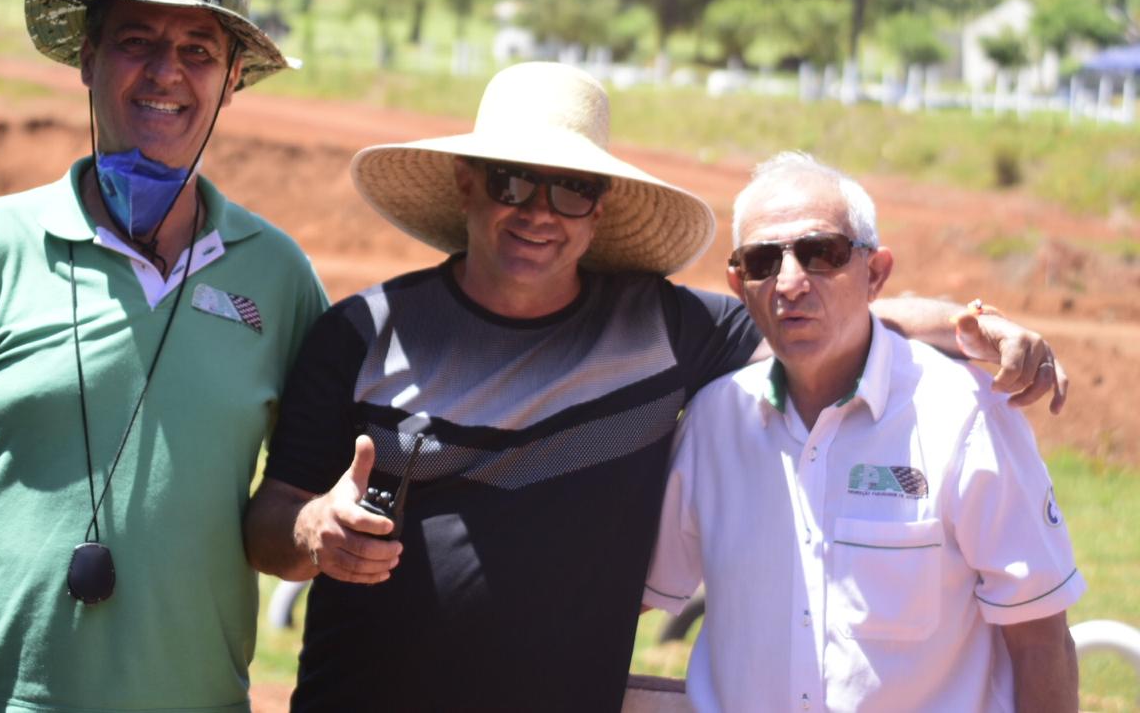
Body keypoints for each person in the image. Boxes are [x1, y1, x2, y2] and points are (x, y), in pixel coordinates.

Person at [242, 62, 1067, 712]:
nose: (540, 211)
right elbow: (264, 526)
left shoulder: (665, 331)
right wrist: (317, 529)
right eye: (511, 181)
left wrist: (973, 322)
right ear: (466, 183)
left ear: (599, 210)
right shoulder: (359, 331)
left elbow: (820, 308)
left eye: (571, 188)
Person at [0, 0, 328, 712]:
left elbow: (296, 505)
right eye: (137, 41)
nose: (165, 74)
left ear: (231, 80)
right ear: (87, 57)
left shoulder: (280, 279)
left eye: (198, 51)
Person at [644, 152, 1083, 712]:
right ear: (738, 282)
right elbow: (637, 595)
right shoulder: (713, 424)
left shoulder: (964, 417)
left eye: (820, 253)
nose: (791, 282)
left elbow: (1041, 639)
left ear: (874, 273)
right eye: (762, 260)